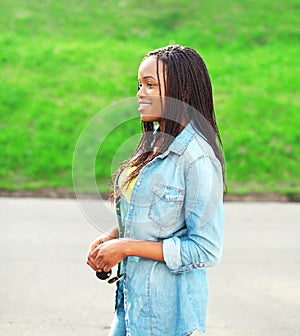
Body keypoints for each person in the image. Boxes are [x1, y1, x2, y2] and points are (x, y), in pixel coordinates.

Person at [87, 45, 225, 336]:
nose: (140, 93)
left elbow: (206, 249)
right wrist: (114, 236)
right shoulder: (153, 144)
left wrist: (125, 247)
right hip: (130, 307)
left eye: (151, 85)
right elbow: (157, 217)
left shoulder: (197, 159)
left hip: (168, 319)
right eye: (139, 84)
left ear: (182, 91)